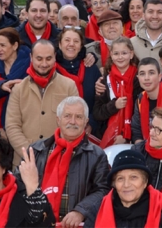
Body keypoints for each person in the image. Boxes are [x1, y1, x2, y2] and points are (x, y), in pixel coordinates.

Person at [30, 96, 110, 227]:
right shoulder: (36, 151)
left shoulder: (97, 155)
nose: (73, 121)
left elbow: (103, 190)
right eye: (67, 116)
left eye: (78, 117)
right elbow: (19, 185)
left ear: (86, 122)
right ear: (58, 120)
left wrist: (80, 211)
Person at [5, 39, 79, 166]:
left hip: (60, 160)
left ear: (55, 57)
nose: (44, 64)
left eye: (48, 58)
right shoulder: (18, 89)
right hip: (25, 162)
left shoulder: (69, 86)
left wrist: (57, 152)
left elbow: (76, 122)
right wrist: (30, 154)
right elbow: (12, 126)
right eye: (39, 59)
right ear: (31, 58)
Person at [93, 149, 162, 227]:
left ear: (145, 182)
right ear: (114, 184)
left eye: (133, 177)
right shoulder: (98, 210)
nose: (126, 184)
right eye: (120, 178)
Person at [93, 37, 142, 145]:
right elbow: (97, 113)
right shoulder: (104, 80)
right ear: (111, 55)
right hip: (108, 136)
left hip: (134, 138)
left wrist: (126, 137)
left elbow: (142, 113)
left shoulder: (140, 79)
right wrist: (114, 105)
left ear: (131, 54)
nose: (120, 57)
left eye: (124, 53)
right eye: (116, 54)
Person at [0, 27, 30, 130]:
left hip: (22, 122)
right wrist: (0, 87)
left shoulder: (29, 69)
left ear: (14, 45)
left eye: (2, 45)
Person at [55, 27, 102, 123]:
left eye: (76, 41)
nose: (71, 44)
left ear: (81, 46)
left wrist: (91, 123)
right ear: (60, 44)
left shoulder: (91, 68)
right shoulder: (52, 70)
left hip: (89, 127)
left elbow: (100, 102)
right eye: (67, 40)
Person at [131, 57, 162, 143]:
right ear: (138, 78)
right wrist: (141, 148)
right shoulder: (140, 98)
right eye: (142, 74)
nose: (146, 78)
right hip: (147, 147)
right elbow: (136, 129)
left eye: (151, 73)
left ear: (160, 76)